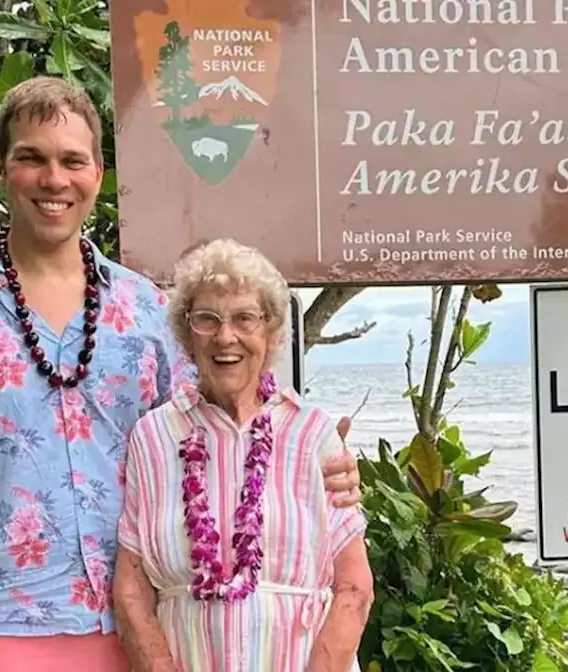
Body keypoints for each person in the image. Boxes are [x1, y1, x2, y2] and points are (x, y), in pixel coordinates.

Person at [0, 76, 362, 672]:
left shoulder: (148, 310)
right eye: (32, 158)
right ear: (0, 167)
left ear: (98, 173)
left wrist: (318, 458)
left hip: (145, 630)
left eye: (73, 161)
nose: (55, 180)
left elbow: (215, 428)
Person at [112, 239, 374, 672]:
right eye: (206, 319)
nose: (225, 336)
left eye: (244, 318)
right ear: (186, 333)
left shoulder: (313, 434)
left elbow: (354, 586)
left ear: (269, 333)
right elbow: (132, 586)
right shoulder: (153, 436)